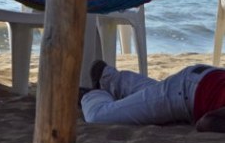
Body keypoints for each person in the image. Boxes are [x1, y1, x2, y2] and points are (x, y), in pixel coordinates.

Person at [80, 60, 225, 133]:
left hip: (203, 80)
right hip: (186, 91)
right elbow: (206, 123)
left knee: (153, 94)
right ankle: (92, 95)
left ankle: (110, 78)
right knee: (97, 117)